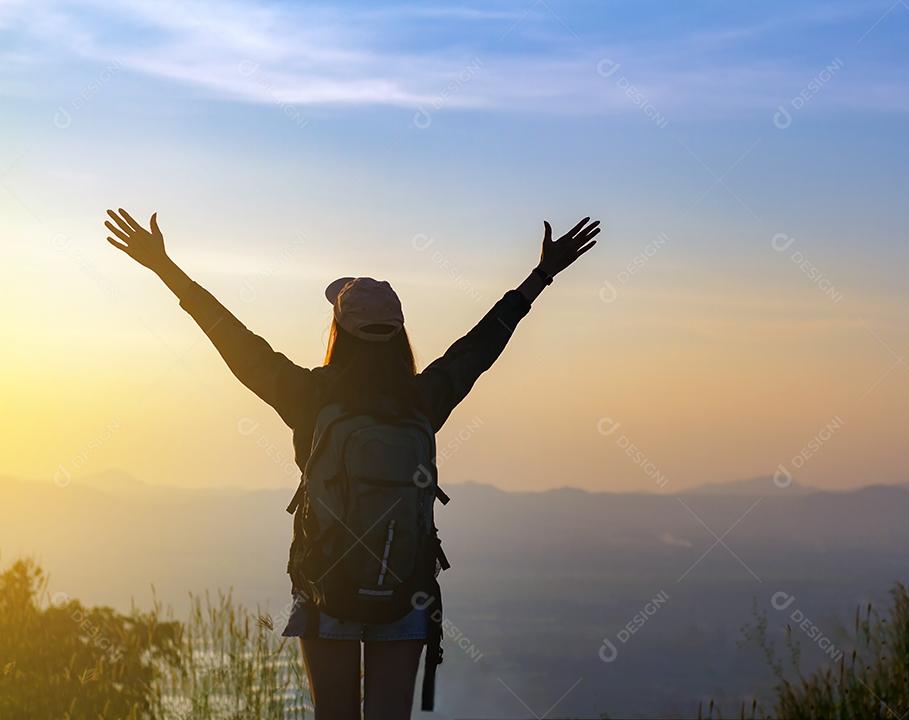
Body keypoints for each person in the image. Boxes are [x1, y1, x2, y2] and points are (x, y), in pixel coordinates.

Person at [103, 208, 601, 719]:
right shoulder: (423, 398)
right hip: (406, 589)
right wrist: (541, 275)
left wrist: (165, 268)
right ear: (399, 335)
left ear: (339, 330)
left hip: (326, 590)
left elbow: (233, 339)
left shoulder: (309, 396)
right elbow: (483, 342)